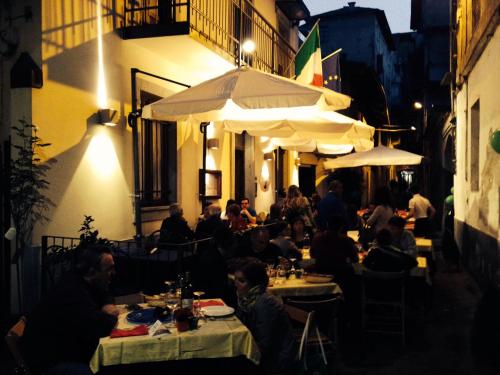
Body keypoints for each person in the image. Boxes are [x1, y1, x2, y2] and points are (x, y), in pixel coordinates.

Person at [21, 245, 119, 375]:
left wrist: (107, 303)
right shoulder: (72, 291)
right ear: (91, 272)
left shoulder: (83, 281)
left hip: (66, 352)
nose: (113, 273)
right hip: (50, 363)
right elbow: (100, 326)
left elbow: (106, 293)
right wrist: (111, 315)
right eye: (109, 269)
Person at [234, 258, 295, 373]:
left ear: (254, 283)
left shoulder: (264, 303)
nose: (235, 284)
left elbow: (265, 345)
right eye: (235, 279)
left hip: (275, 360)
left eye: (241, 281)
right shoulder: (247, 298)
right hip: (261, 351)